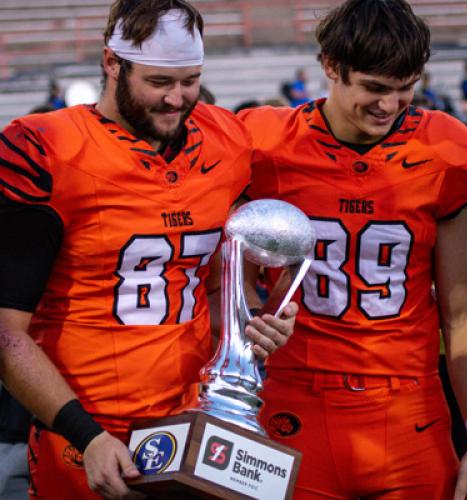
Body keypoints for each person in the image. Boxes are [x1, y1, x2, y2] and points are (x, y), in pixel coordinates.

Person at [0, 1, 297, 499]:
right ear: (112, 63)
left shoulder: (227, 141)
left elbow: (215, 278)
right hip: (84, 431)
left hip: (193, 422)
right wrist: (85, 434)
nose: (177, 99)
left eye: (190, 81)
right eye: (159, 82)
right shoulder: (47, 150)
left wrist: (253, 321)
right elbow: (6, 334)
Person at [239, 0, 467, 499]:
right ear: (331, 67)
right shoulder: (264, 144)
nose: (390, 105)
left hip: (408, 408)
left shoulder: (445, 152)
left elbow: (462, 310)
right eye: (375, 88)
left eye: (405, 89)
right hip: (293, 399)